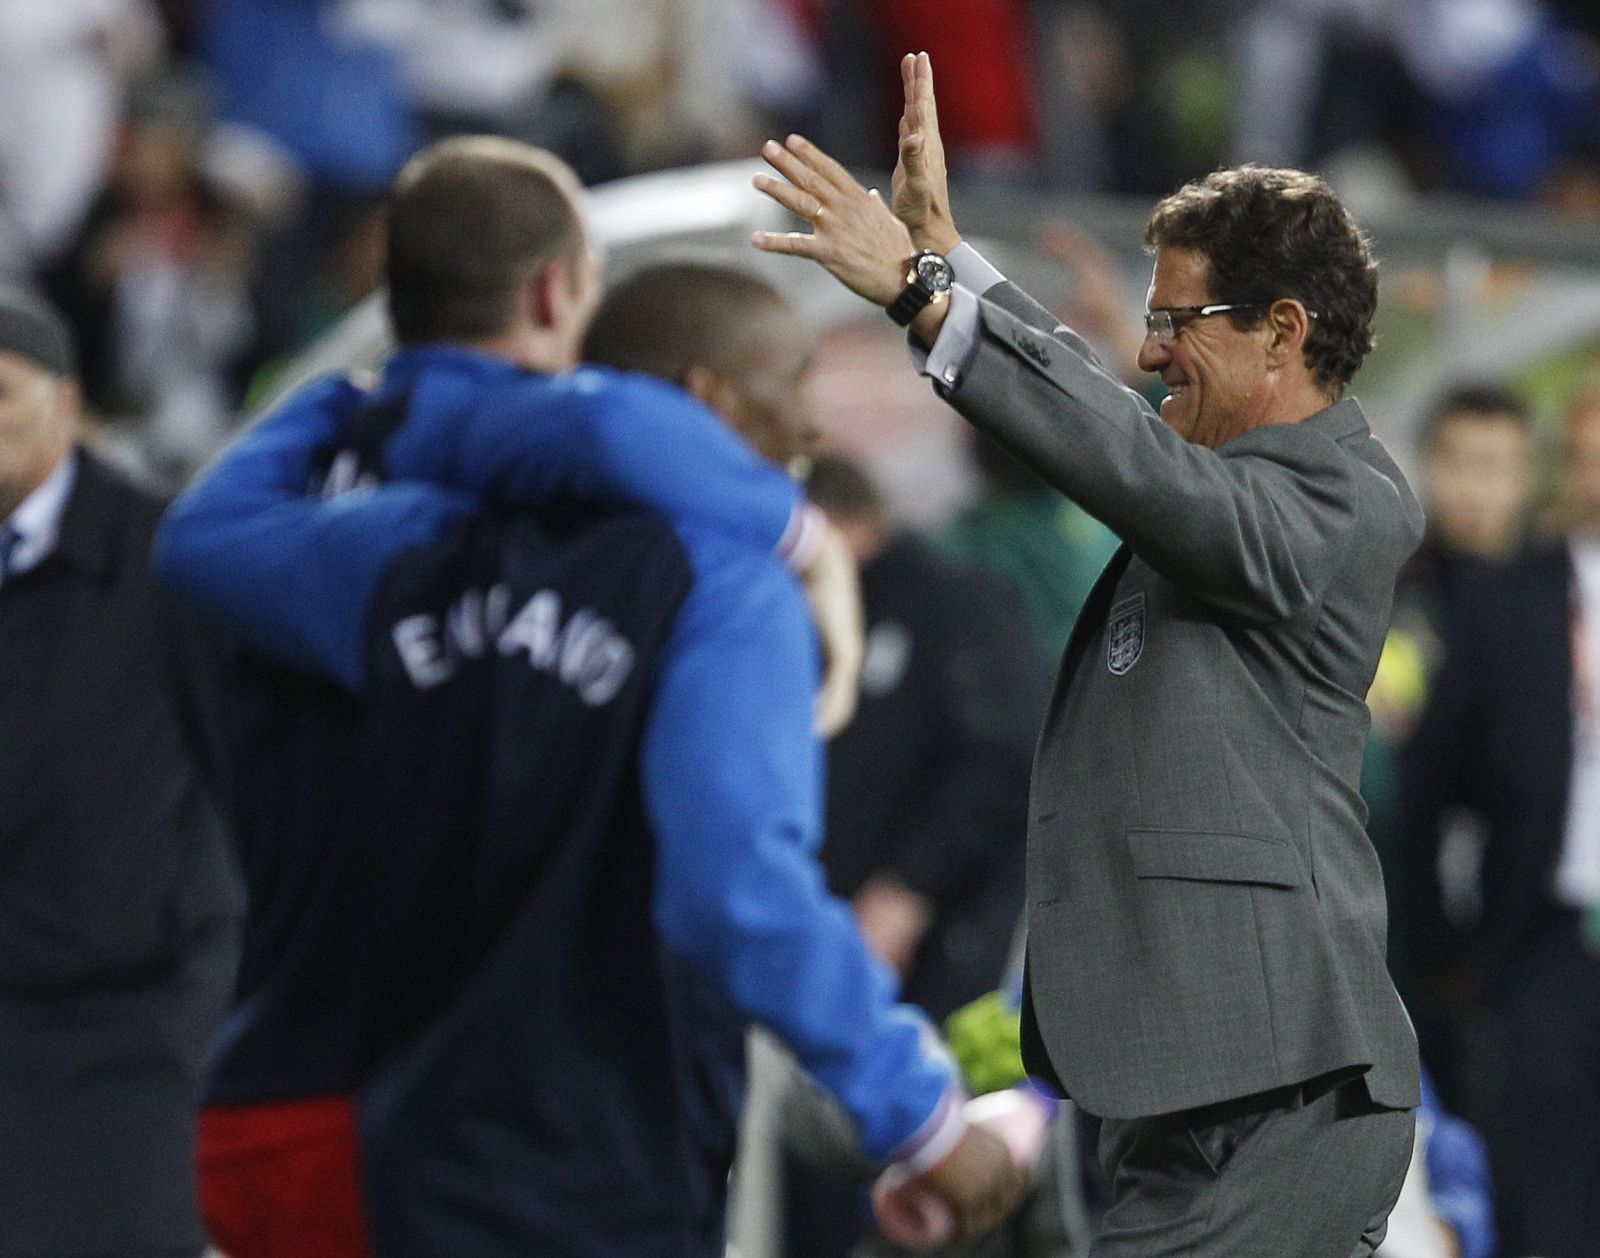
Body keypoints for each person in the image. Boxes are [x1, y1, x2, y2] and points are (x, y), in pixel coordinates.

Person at [154, 136, 1025, 1257]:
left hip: (311, 1109)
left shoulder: (377, 546)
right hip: (573, 1142)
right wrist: (917, 1112)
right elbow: (737, 887)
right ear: (555, 292)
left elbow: (196, 539)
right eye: (793, 389)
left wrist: (364, 403)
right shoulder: (710, 580)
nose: (812, 431)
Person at [751, 51, 1423, 1257]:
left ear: (1282, 331)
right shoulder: (1217, 487)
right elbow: (1134, 447)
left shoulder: (1347, 500)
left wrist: (920, 293)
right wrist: (950, 262)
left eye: (1175, 322)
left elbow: (1135, 462)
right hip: (1198, 1087)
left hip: (1277, 1089)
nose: (1151, 352)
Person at [0, 288, 242, 1258]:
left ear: (67, 405)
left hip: (130, 1032)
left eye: (2, 397)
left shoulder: (165, 557)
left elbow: (245, 775)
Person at [1400, 383, 1600, 1258]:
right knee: (1543, 1199)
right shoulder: (1491, 601)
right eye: (1587, 460)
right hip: (1534, 946)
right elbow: (1428, 790)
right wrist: (1457, 956)